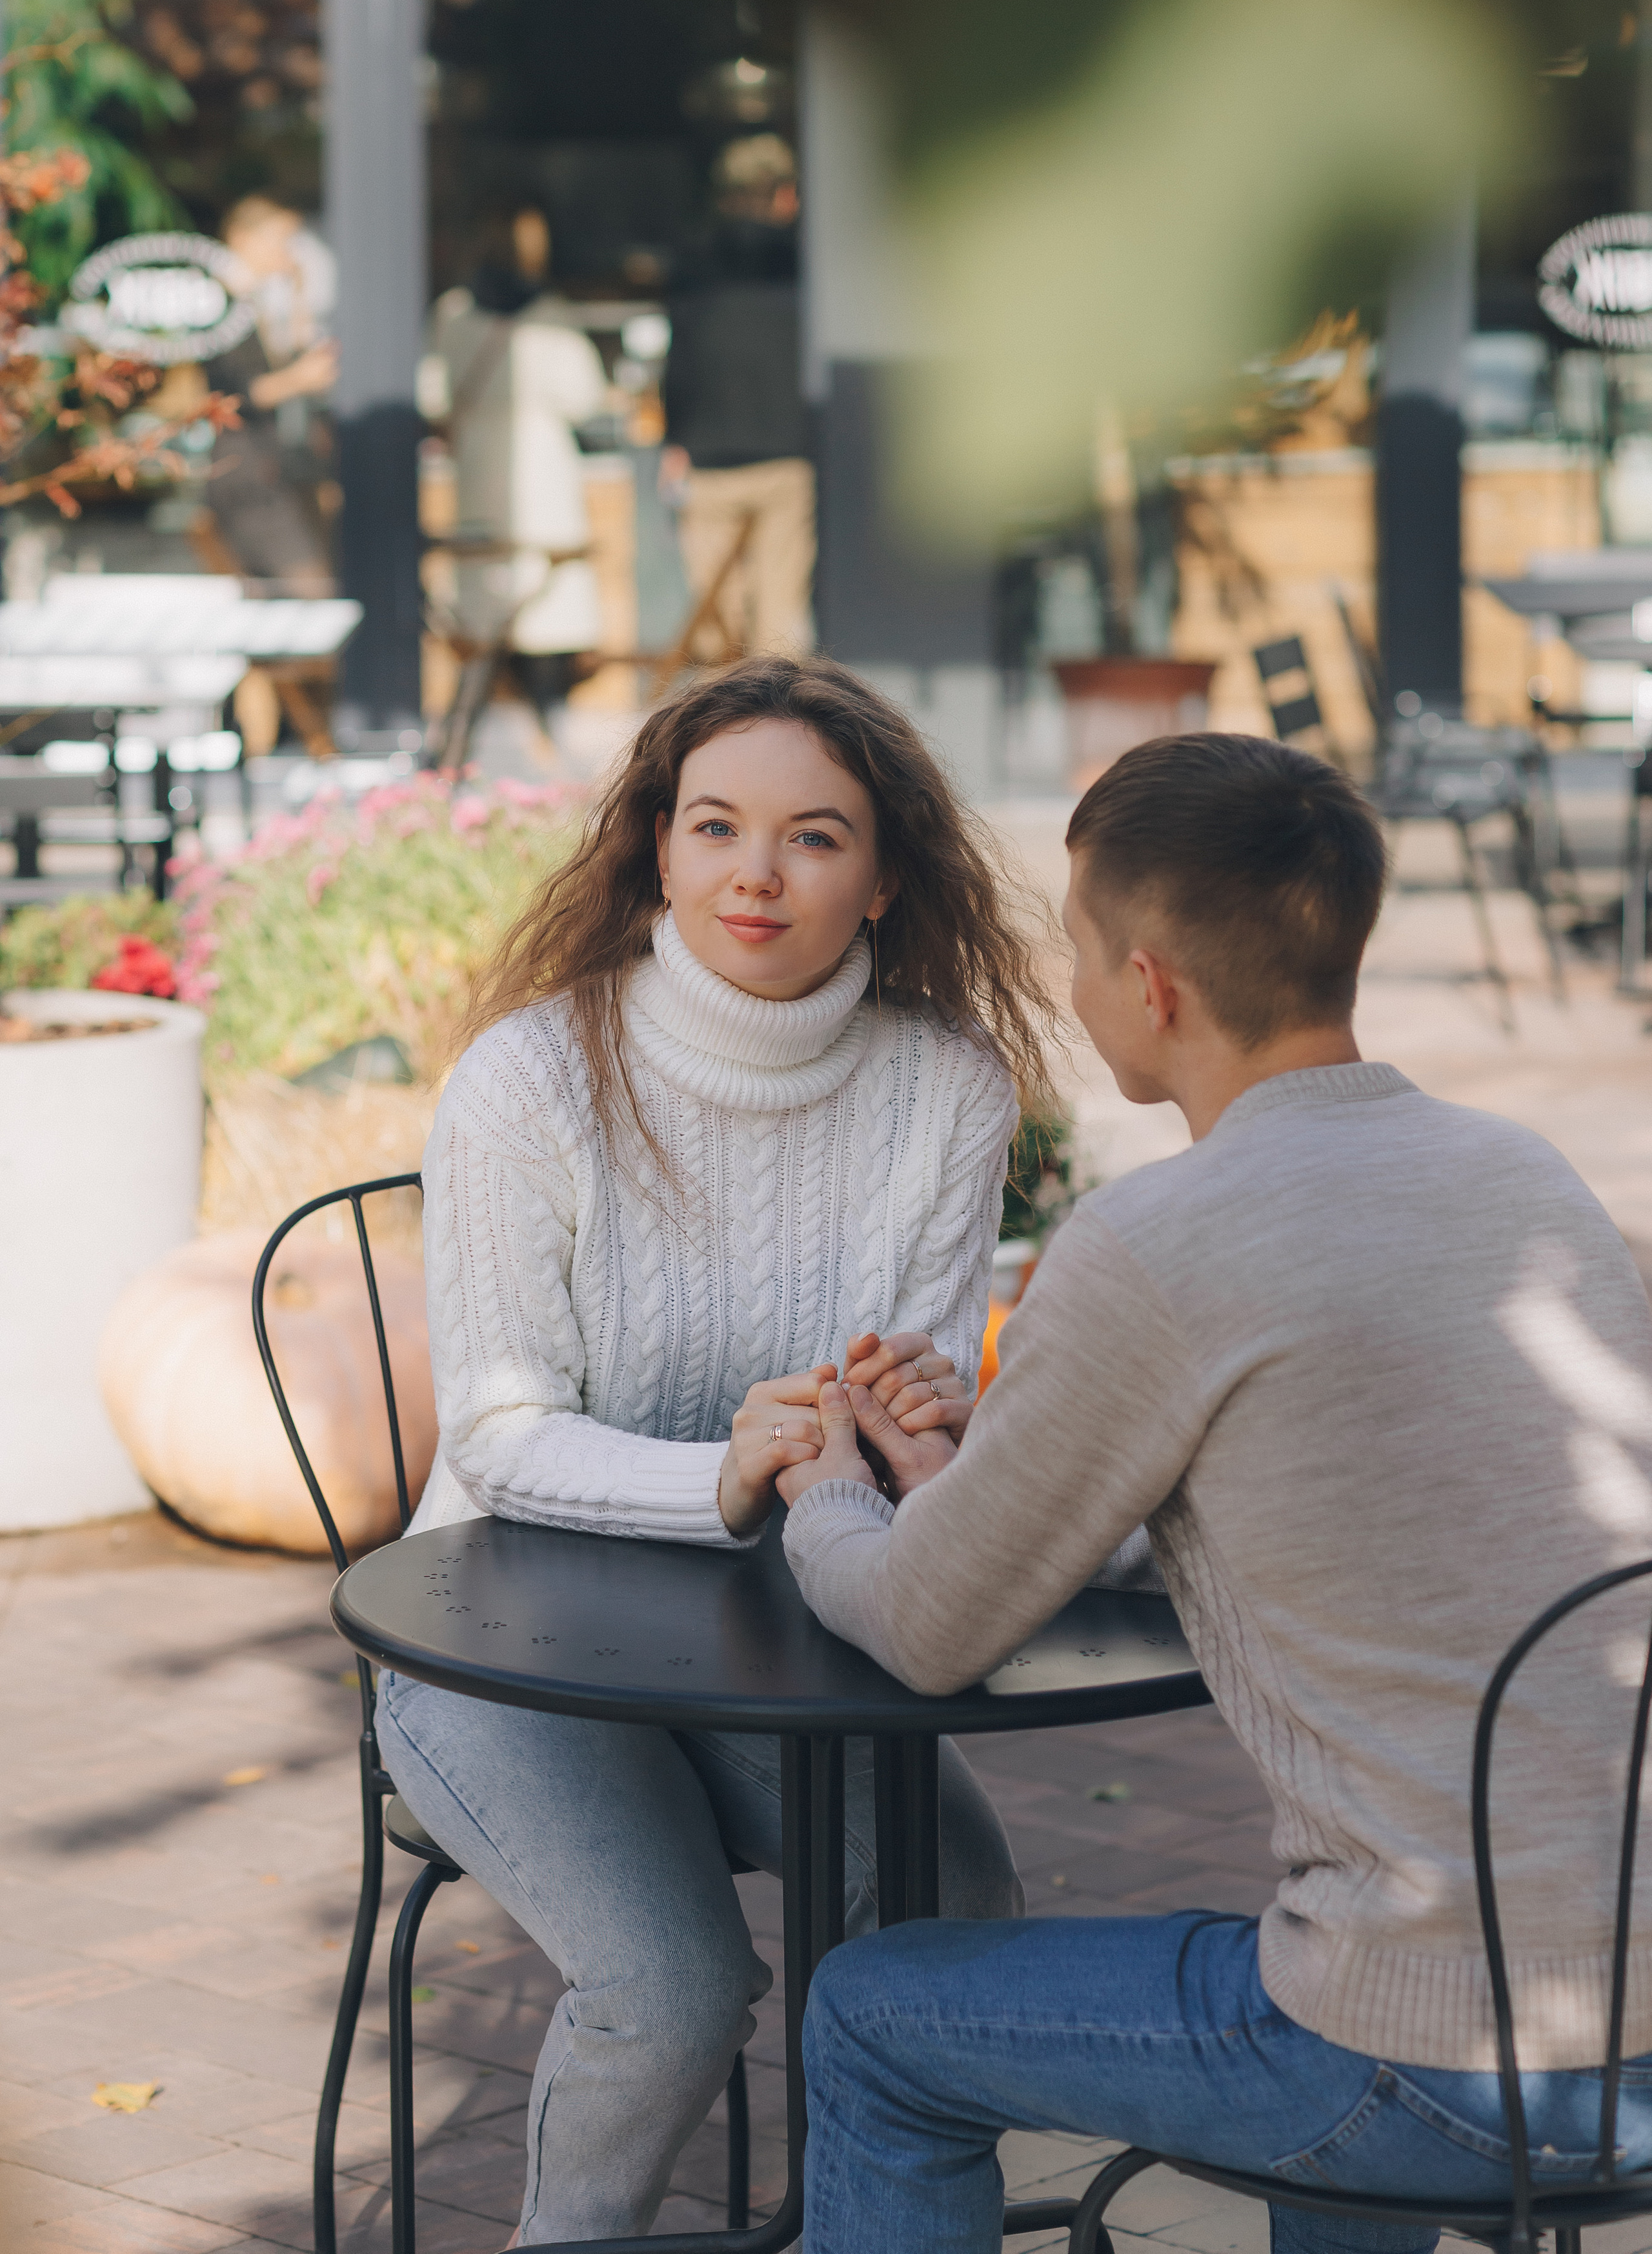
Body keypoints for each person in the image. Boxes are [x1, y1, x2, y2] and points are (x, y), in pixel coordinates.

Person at [780, 731, 1652, 2254]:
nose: (1067, 987)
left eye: (1073, 951)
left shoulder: (1152, 1240)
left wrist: (824, 1488)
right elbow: (1321, 1494)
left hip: (1424, 2053)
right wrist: (986, 1480)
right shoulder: (1519, 1177)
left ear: (1152, 983)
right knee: (1341, 1966)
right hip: (1631, 2031)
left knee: (867, 2011)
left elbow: (923, 1632)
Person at [373, 655, 1058, 2245]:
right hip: (498, 1647)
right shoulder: (532, 1077)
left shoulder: (943, 1084)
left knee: (954, 1910)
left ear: (884, 874)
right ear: (654, 850)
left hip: (784, 1636)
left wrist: (909, 1424)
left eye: (814, 836)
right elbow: (496, 1427)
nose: (756, 873)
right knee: (670, 1981)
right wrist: (724, 1475)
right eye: (714, 827)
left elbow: (905, 1390)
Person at [421, 207, 611, 744]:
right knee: (548, 596)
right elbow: (586, 395)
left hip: (479, 465)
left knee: (488, 601)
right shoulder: (549, 313)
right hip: (544, 461)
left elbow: (432, 393)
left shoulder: (453, 313)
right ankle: (548, 729)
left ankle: (479, 734)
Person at [661, 134, 815, 661]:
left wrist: (673, 439)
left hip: (706, 456)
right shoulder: (808, 263)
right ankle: (782, 734)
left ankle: (720, 731)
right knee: (780, 619)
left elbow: (677, 361)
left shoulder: (692, 264)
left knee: (716, 623)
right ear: (785, 195)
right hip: (787, 451)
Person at [203, 195, 341, 755]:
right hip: (247, 479)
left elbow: (283, 359)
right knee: (306, 595)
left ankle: (273, 730)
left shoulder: (257, 302)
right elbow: (236, 393)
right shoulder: (218, 303)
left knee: (273, 606)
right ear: (245, 238)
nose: (288, 254)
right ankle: (300, 730)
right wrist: (301, 380)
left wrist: (301, 292)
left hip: (268, 474)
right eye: (281, 241)